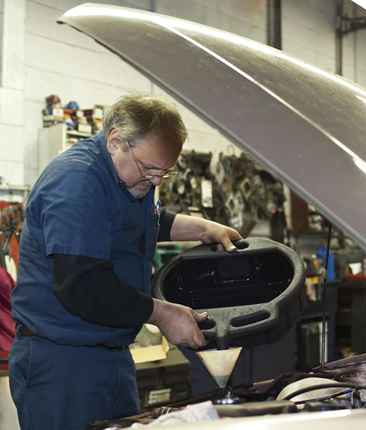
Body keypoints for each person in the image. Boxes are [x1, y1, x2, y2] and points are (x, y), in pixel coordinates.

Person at [9, 95, 241, 430]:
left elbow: (139, 223)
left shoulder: (131, 179)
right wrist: (162, 313)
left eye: (166, 172)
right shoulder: (77, 181)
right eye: (150, 169)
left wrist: (202, 227)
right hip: (62, 363)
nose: (157, 181)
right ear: (116, 140)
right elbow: (82, 284)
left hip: (110, 356)